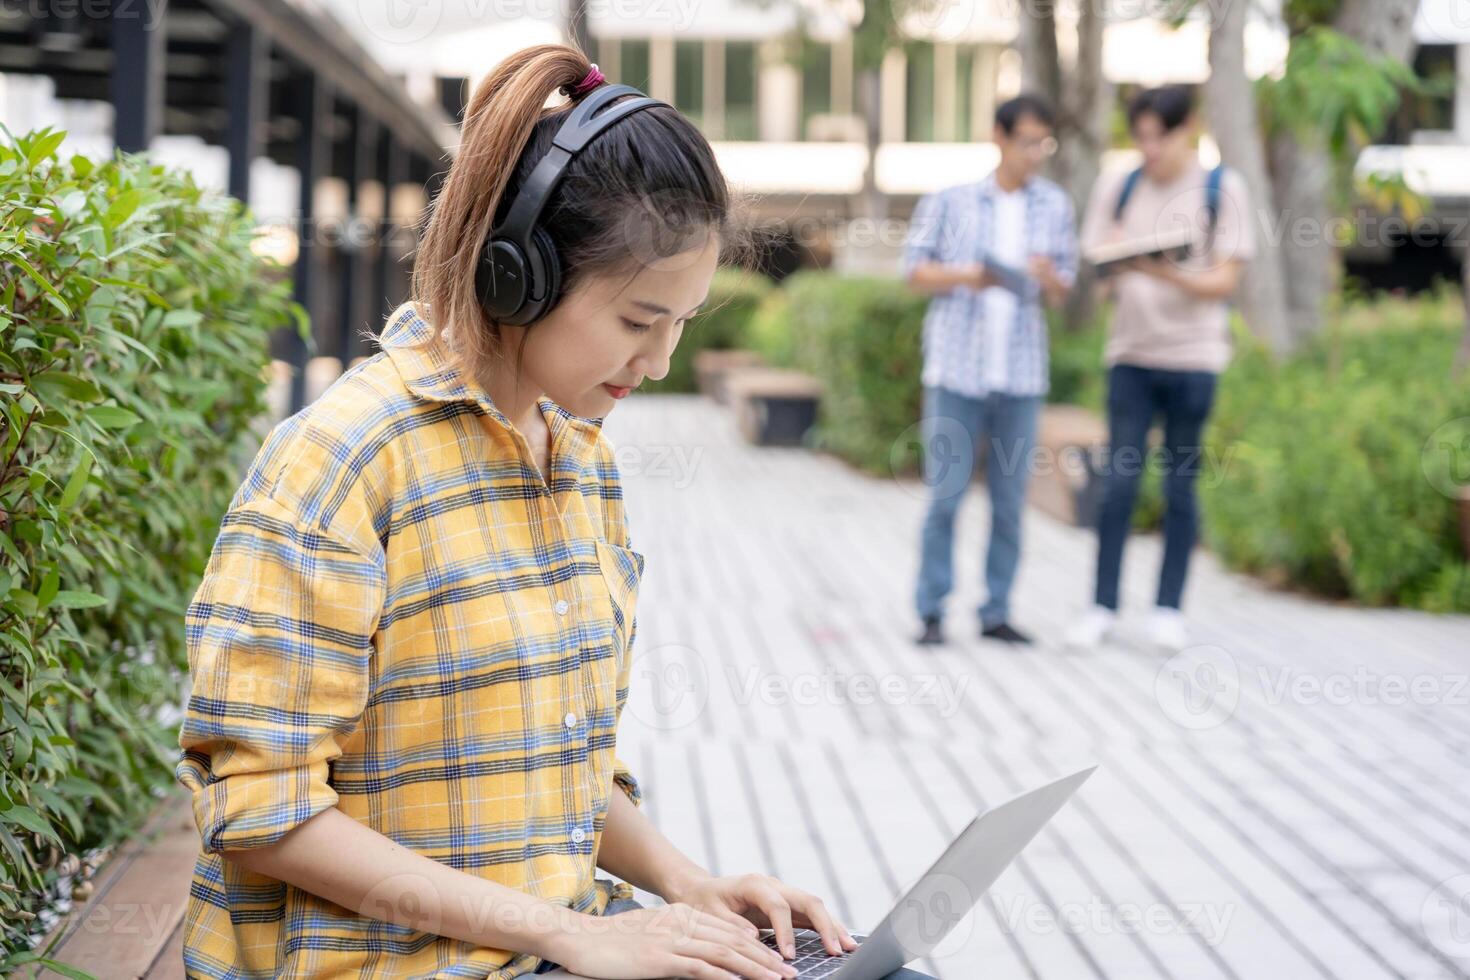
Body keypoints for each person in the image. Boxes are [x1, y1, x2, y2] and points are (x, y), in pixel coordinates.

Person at [173, 45, 899, 979]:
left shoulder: (581, 461)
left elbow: (552, 768)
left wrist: (690, 885)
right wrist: (569, 933)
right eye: (640, 321)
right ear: (519, 273)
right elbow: (258, 814)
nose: (662, 361)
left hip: (552, 946)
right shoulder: (344, 461)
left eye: (683, 323)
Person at [1066, 85, 1256, 652]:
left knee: (1180, 486)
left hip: (1195, 359)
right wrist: (1121, 263)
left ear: (1188, 128)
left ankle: (1168, 610)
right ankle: (1101, 606)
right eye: (1141, 137)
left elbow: (1225, 281)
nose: (1150, 149)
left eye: (1160, 136)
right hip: (1130, 356)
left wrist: (1162, 272)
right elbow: (1096, 266)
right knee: (1118, 484)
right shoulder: (1118, 184)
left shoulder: (1224, 189)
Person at [903, 94, 1079, 648]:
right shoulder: (951, 201)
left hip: (1021, 376)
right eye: (1028, 141)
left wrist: (1049, 277)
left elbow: (1064, 287)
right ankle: (932, 610)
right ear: (999, 137)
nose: (1036, 153)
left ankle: (996, 610)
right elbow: (915, 271)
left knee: (1010, 503)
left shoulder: (1054, 205)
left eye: (1043, 142)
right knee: (946, 498)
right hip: (957, 372)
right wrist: (970, 276)